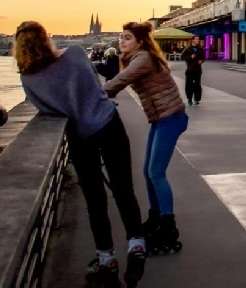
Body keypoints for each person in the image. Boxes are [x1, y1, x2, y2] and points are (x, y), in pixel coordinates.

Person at [13, 21, 145, 287]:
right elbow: (95, 85)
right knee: (123, 189)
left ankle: (106, 260)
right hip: (108, 124)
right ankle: (136, 244)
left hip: (80, 137)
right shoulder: (74, 53)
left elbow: (46, 108)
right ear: (46, 38)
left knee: (95, 200)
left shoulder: (28, 78)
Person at [104, 22, 188, 256]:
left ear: (139, 42)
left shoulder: (142, 58)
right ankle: (155, 217)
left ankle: (168, 225)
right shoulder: (136, 57)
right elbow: (119, 77)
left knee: (156, 173)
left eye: (127, 37)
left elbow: (121, 80)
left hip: (171, 117)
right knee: (147, 171)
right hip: (161, 119)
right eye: (120, 37)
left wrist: (99, 95)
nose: (122, 41)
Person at [181, 36, 204, 106]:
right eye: (196, 39)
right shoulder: (188, 49)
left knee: (197, 85)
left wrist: (201, 61)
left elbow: (203, 57)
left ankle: (196, 99)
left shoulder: (200, 49)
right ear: (192, 40)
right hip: (190, 69)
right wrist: (190, 57)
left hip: (198, 69)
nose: (198, 40)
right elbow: (182, 57)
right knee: (189, 85)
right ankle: (189, 98)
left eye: (198, 39)